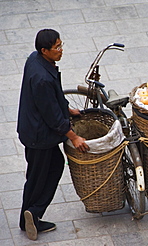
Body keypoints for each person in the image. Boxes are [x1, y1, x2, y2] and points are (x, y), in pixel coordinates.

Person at [17, 29, 89, 241]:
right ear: (44, 50)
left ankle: (29, 215)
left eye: (60, 45)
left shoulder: (36, 60)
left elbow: (53, 98)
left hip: (32, 129)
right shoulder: (42, 79)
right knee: (41, 175)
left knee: (40, 173)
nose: (61, 50)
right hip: (39, 136)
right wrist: (74, 137)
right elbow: (52, 116)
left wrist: (67, 109)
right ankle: (32, 213)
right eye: (56, 48)